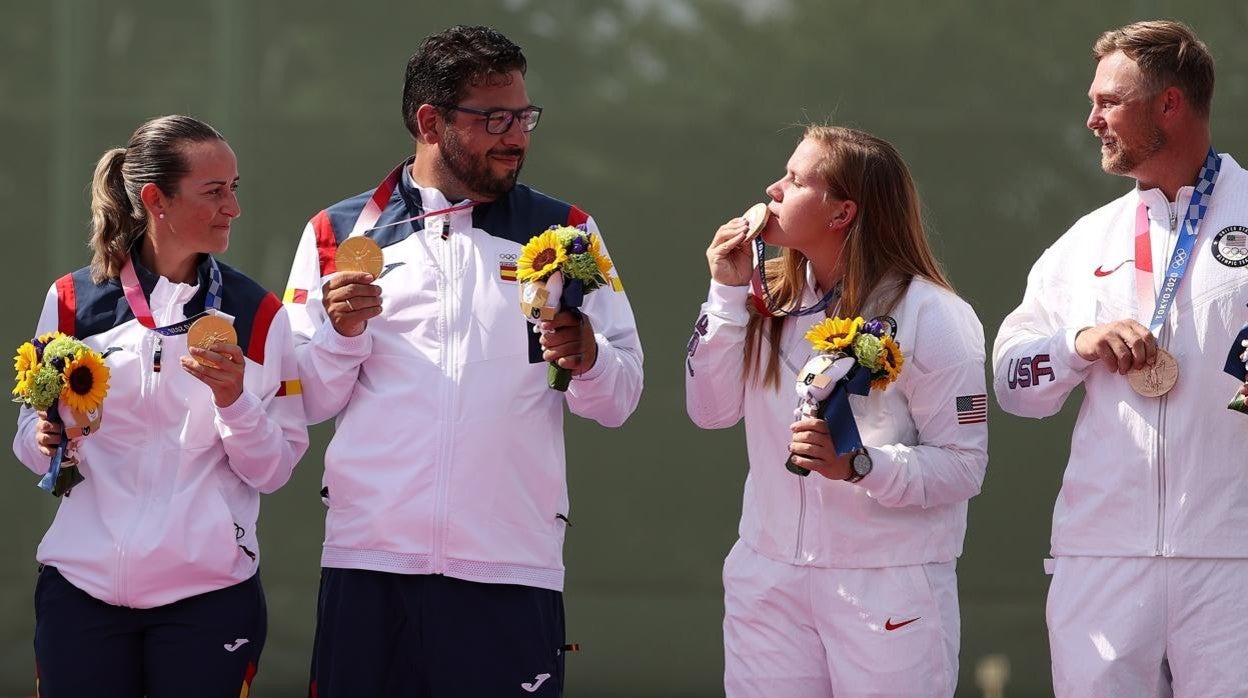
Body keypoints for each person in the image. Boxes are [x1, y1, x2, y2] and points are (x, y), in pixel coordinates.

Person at [282, 25, 642, 697]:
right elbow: (303, 401)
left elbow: (620, 397)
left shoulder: (567, 232)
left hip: (510, 565)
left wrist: (589, 359)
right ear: (430, 121)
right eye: (495, 119)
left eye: (525, 116)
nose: (517, 136)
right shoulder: (337, 232)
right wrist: (341, 334)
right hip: (370, 564)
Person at [11, 115, 308, 697]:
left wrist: (234, 401)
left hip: (208, 598)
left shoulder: (259, 313)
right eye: (214, 191)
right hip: (82, 589)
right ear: (156, 199)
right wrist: (45, 441)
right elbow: (30, 436)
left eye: (235, 188)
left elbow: (274, 469)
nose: (233, 207)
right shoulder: (71, 299)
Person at [686, 125, 988, 697]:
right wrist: (724, 294)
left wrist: (859, 465)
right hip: (768, 576)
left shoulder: (933, 314)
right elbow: (709, 410)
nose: (773, 188)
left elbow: (963, 466)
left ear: (841, 212)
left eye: (796, 180)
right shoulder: (763, 296)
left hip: (886, 584)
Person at [992, 20, 1248, 696]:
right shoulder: (1085, 242)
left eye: (1109, 101)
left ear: (1169, 103)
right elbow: (1012, 381)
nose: (1092, 119)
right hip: (1102, 554)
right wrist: (1076, 346)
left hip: (1234, 556)